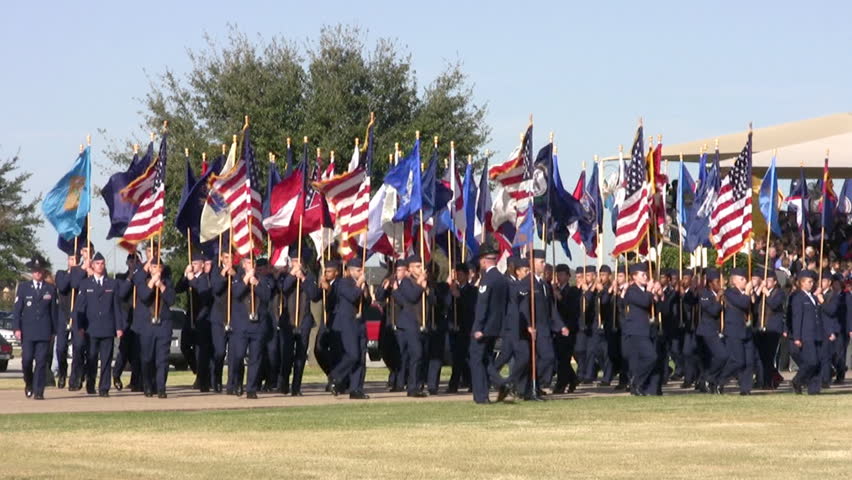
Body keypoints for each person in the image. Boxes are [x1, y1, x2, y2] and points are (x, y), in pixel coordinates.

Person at [75, 252, 124, 397]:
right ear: (92, 265)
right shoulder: (85, 284)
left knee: (107, 359)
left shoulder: (112, 283)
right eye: (97, 263)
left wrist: (119, 327)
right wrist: (80, 326)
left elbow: (117, 307)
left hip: (107, 327)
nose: (100, 266)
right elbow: (80, 307)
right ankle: (90, 384)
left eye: (102, 263)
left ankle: (104, 388)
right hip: (91, 328)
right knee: (91, 357)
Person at [469, 244, 512, 404]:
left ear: (483, 261)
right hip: (496, 327)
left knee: (476, 359)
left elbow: (483, 305)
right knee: (486, 359)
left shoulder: (487, 279)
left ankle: (481, 396)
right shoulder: (502, 279)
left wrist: (478, 327)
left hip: (484, 328)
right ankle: (500, 383)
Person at [13, 256, 58, 400]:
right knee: (26, 360)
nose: (38, 273)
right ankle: (29, 382)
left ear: (43, 271)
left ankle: (39, 391)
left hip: (44, 331)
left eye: (40, 271)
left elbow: (54, 313)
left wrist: (54, 331)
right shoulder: (24, 288)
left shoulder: (50, 289)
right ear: (32, 272)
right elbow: (17, 310)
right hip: (28, 331)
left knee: (41, 362)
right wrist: (17, 328)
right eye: (35, 271)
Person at [227, 257, 271, 399]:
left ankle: (251, 388)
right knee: (238, 356)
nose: (250, 264)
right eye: (247, 262)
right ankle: (237, 381)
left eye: (252, 262)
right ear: (243, 264)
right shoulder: (237, 278)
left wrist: (256, 283)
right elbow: (236, 293)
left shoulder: (262, 279)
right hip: (241, 326)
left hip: (257, 325)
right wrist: (246, 279)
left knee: (255, 358)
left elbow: (266, 296)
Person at [329, 258, 372, 399]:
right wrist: (359, 284)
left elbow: (367, 302)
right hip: (347, 323)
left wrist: (364, 289)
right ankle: (335, 375)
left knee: (360, 357)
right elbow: (352, 296)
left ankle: (356, 389)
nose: (361, 273)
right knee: (352, 354)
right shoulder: (343, 283)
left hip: (360, 323)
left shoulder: (361, 284)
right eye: (359, 270)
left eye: (362, 270)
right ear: (351, 270)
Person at [280, 253, 321, 396]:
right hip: (288, 321)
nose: (297, 264)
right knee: (287, 355)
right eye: (294, 261)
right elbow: (283, 289)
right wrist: (292, 275)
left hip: (304, 321)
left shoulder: (309, 276)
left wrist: (303, 278)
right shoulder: (285, 275)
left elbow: (315, 295)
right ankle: (284, 383)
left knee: (300, 355)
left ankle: (296, 387)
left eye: (299, 261)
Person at [134, 257, 175, 398]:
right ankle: (147, 385)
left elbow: (171, 300)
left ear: (162, 269)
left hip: (163, 325)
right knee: (147, 358)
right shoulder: (142, 282)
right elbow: (144, 296)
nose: (156, 269)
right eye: (153, 266)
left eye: (159, 266)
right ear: (149, 268)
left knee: (162, 359)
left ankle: (161, 387)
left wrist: (162, 286)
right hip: (147, 326)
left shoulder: (168, 282)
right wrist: (152, 283)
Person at [391, 255, 430, 397]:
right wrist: (420, 286)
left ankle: (415, 385)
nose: (421, 269)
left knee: (419, 356)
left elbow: (432, 300)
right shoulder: (406, 282)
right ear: (410, 269)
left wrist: (427, 290)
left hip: (421, 323)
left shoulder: (425, 282)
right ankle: (412, 386)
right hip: (409, 323)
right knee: (416, 353)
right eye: (418, 267)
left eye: (421, 266)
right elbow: (411, 297)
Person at [622, 263, 661, 396]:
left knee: (648, 359)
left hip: (648, 330)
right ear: (634, 277)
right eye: (642, 275)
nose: (646, 277)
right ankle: (636, 381)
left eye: (646, 274)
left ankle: (640, 387)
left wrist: (658, 295)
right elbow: (644, 302)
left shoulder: (645, 290)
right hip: (636, 331)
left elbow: (656, 308)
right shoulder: (632, 290)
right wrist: (650, 291)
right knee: (650, 357)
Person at [718, 267, 755, 395]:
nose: (745, 281)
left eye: (745, 279)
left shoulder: (747, 292)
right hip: (734, 330)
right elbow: (743, 303)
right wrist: (748, 292)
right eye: (742, 279)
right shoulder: (730, 292)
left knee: (750, 361)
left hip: (747, 330)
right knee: (738, 360)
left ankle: (746, 388)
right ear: (734, 281)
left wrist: (753, 294)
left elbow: (753, 307)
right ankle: (720, 380)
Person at [790, 270, 826, 395]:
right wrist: (797, 337)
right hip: (806, 335)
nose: (812, 284)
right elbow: (797, 318)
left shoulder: (813, 297)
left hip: (817, 334)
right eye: (809, 282)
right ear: (802, 283)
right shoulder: (798, 297)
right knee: (811, 361)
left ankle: (814, 389)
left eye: (812, 282)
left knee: (818, 363)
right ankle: (797, 380)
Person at [753, 270, 786, 390]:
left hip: (773, 329)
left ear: (775, 282)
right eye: (765, 280)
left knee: (769, 356)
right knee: (761, 356)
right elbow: (754, 303)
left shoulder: (779, 293)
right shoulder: (761, 292)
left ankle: (769, 380)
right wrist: (758, 290)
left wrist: (767, 293)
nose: (766, 282)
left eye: (769, 280)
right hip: (761, 327)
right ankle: (764, 379)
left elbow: (774, 304)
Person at [696, 269, 726, 394]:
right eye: (717, 281)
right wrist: (718, 298)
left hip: (723, 330)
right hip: (708, 331)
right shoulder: (705, 294)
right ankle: (708, 378)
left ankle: (712, 381)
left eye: (722, 280)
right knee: (721, 355)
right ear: (710, 283)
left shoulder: (725, 293)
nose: (720, 283)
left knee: (725, 357)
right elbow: (712, 311)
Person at [447, 262, 475, 394]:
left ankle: (469, 383)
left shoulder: (472, 290)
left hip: (467, 329)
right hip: (455, 329)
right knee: (457, 359)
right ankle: (457, 384)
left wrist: (459, 297)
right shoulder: (452, 289)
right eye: (457, 274)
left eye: (461, 274)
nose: (459, 276)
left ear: (467, 275)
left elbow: (471, 308)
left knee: (467, 358)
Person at [552, 264, 581, 393]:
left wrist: (560, 298)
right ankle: (573, 378)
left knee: (564, 358)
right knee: (559, 358)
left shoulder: (573, 290)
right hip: (557, 329)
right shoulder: (554, 289)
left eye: (562, 274)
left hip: (569, 328)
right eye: (558, 274)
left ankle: (561, 384)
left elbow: (572, 310)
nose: (559, 277)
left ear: (568, 276)